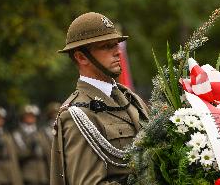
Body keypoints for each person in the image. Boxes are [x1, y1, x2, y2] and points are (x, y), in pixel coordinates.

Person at [50, 12, 149, 185]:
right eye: (106, 46)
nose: (118, 52)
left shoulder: (132, 100)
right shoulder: (77, 115)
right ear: (81, 57)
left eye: (116, 44)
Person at [12, 104, 49, 185]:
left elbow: (47, 150)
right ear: (22, 117)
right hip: (28, 172)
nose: (31, 118)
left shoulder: (40, 132)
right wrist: (30, 149)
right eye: (28, 116)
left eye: (33, 116)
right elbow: (18, 153)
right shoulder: (18, 134)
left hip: (42, 172)